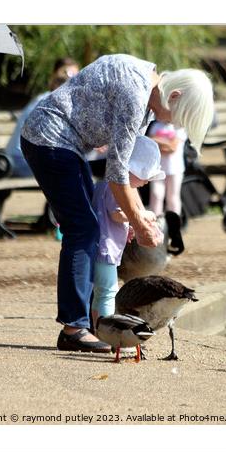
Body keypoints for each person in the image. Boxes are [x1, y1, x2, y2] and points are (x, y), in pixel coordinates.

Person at [20, 53, 214, 352]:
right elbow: (118, 171)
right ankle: (74, 328)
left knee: (89, 227)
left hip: (69, 144)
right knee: (82, 229)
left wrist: (136, 215)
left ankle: (85, 324)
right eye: (176, 116)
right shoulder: (136, 93)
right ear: (173, 95)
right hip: (49, 138)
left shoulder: (148, 91)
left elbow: (124, 166)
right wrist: (138, 221)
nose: (171, 124)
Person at [91, 135, 165, 330]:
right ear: (131, 168)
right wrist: (140, 216)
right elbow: (116, 214)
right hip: (105, 248)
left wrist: (130, 227)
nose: (147, 181)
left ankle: (96, 328)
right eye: (145, 175)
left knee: (100, 291)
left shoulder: (107, 183)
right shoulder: (117, 187)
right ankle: (104, 331)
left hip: (103, 245)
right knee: (107, 291)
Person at [5, 58, 81, 177]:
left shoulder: (51, 99)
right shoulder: (49, 102)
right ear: (55, 79)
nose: (75, 83)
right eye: (68, 79)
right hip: (20, 161)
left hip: (24, 158)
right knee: (70, 171)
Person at [147, 120, 187, 217]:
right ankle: (155, 223)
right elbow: (149, 142)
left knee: (172, 198)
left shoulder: (180, 127)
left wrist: (157, 141)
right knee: (156, 195)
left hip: (175, 169)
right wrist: (166, 142)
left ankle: (174, 225)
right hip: (157, 168)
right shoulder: (156, 125)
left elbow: (172, 147)